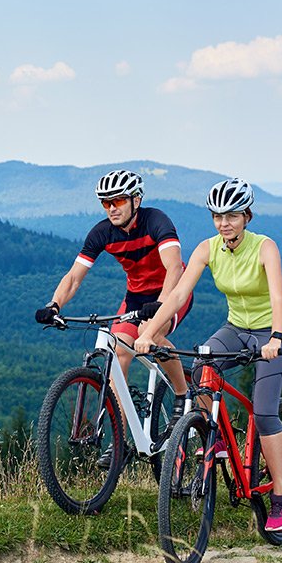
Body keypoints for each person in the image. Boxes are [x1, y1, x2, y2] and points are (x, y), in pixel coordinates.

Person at [135, 176, 282, 533]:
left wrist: (274, 338)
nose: (224, 223)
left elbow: (276, 296)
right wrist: (148, 333)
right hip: (236, 328)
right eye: (218, 216)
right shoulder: (208, 249)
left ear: (247, 216)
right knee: (202, 368)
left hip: (272, 330)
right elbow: (177, 296)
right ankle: (217, 437)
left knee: (265, 411)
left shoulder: (265, 247)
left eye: (232, 215)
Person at [35, 169, 192, 435]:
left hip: (173, 290)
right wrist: (54, 305)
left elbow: (174, 267)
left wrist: (162, 304)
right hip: (136, 296)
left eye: (118, 201)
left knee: (148, 334)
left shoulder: (156, 221)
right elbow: (74, 277)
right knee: (118, 351)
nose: (111, 208)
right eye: (106, 203)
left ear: (136, 201)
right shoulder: (103, 233)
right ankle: (119, 437)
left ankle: (181, 394)